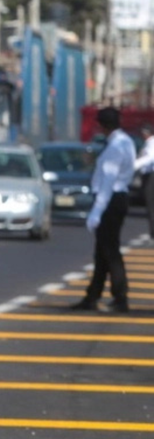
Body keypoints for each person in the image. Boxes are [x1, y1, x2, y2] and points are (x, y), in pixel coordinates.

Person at [72, 106, 135, 312]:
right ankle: (92, 296)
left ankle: (120, 297)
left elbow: (108, 181)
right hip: (119, 197)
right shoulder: (126, 142)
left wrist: (97, 211)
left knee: (110, 251)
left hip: (110, 200)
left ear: (102, 126)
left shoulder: (115, 147)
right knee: (102, 252)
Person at [133, 123, 154, 238]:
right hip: (147, 175)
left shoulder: (151, 143)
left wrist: (135, 165)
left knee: (151, 203)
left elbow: (150, 158)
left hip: (151, 176)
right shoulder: (149, 143)